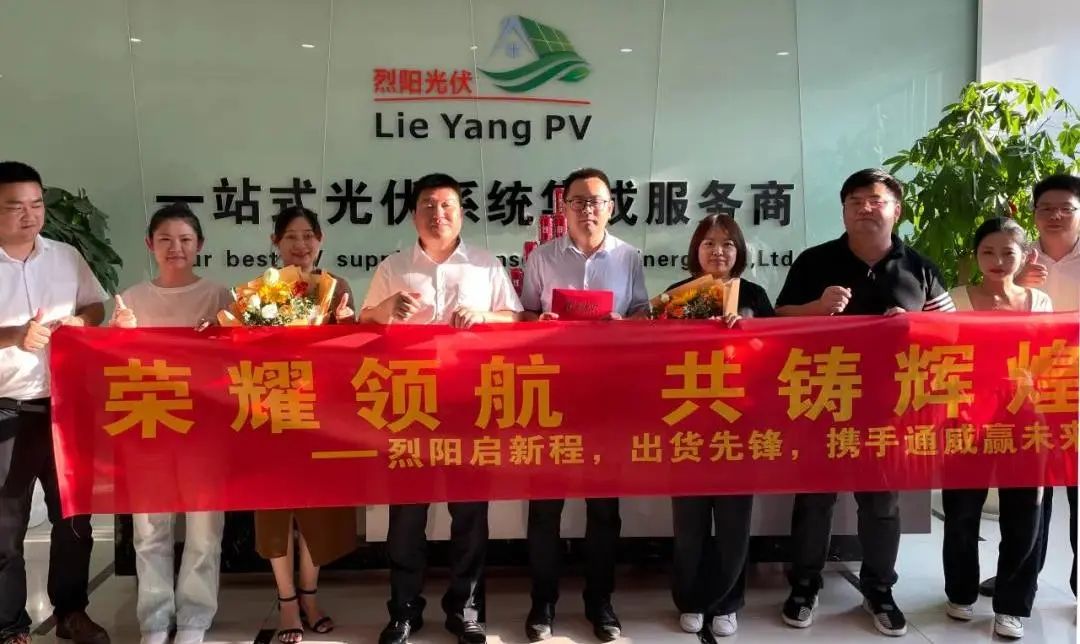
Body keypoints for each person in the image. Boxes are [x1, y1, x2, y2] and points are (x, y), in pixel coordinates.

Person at [775, 168, 955, 638]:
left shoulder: (920, 268)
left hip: (888, 408)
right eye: (854, 201)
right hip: (823, 399)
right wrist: (818, 309)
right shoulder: (815, 262)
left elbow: (951, 333)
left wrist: (914, 326)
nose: (864, 208)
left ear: (896, 210)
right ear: (843, 211)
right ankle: (804, 585)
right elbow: (779, 319)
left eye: (876, 200)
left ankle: (879, 589)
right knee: (815, 498)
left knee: (881, 503)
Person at [360, 173, 523, 644]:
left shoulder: (486, 265)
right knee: (406, 517)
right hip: (409, 405)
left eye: (447, 205)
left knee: (469, 515)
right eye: (428, 206)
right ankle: (403, 610)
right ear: (414, 215)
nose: (438, 214)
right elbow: (364, 321)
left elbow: (514, 317)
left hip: (469, 406)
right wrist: (383, 310)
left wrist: (485, 316)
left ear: (461, 213)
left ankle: (465, 609)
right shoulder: (393, 267)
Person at [519, 167, 649, 643]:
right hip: (550, 394)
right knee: (544, 509)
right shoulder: (542, 257)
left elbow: (643, 313)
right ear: (564, 208)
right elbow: (524, 313)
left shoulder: (629, 257)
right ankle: (543, 603)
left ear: (610, 207)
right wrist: (539, 320)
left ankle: (601, 603)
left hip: (606, 397)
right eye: (578, 201)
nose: (587, 210)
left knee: (604, 509)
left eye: (596, 201)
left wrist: (623, 324)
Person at [108, 203, 232, 644]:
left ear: (199, 245)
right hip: (148, 425)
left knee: (204, 530)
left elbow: (239, 363)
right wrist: (118, 335)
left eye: (184, 240)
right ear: (150, 245)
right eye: (165, 239)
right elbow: (110, 366)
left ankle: (196, 617)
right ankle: (155, 620)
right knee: (149, 530)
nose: (175, 248)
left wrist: (222, 334)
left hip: (204, 430)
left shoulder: (220, 296)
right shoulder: (132, 298)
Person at [0, 161, 109, 644]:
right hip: (6, 408)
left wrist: (82, 323)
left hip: (65, 406)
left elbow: (95, 304)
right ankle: (9, 624)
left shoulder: (65, 256)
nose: (30, 215)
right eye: (15, 207)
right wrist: (13, 335)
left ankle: (71, 612)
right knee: (6, 525)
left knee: (74, 517)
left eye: (37, 204)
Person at [940, 217, 1050, 640]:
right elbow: (936, 353)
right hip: (966, 418)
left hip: (1026, 419)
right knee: (961, 511)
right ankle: (960, 593)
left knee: (1025, 514)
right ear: (976, 256)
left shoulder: (1039, 302)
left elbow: (1052, 356)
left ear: (1025, 257)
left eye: (1008, 252)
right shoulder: (955, 299)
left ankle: (1012, 605)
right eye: (988, 251)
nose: (998, 260)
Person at [666, 213, 774, 638]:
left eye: (728, 244)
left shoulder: (755, 295)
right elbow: (654, 354)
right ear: (696, 250)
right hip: (688, 423)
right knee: (688, 523)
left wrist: (748, 333)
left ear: (739, 251)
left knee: (733, 523)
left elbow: (777, 354)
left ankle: (728, 602)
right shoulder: (677, 296)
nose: (718, 251)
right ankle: (690, 600)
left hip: (738, 425)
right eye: (709, 243)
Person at [256, 206, 357, 644]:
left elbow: (352, 355)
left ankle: (310, 597)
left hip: (321, 416)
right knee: (275, 511)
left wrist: (349, 327)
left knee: (317, 510)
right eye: (290, 237)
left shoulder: (337, 288)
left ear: (320, 240)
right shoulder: (259, 291)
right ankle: (286, 603)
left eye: (308, 236)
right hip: (272, 414)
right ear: (275, 242)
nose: (300, 245)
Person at [982, 174, 1080, 602]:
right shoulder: (1016, 256)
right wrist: (1017, 283)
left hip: (1075, 389)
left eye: (1066, 208)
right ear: (1034, 213)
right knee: (1030, 494)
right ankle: (1022, 578)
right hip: (1025, 392)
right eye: (1046, 208)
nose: (1055, 216)